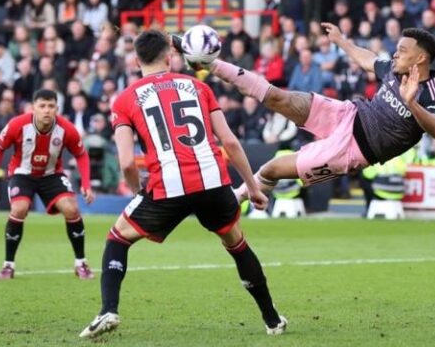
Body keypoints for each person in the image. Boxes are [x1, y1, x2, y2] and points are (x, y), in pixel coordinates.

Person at [80, 30, 286, 338]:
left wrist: (139, 190)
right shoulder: (199, 86)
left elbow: (125, 162)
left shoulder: (124, 100)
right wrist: (252, 188)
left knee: (117, 240)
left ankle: (108, 310)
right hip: (212, 183)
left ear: (136, 61)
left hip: (167, 188)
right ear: (170, 57)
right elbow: (229, 141)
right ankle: (272, 319)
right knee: (236, 244)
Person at [177, 23, 435, 205]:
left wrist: (412, 104)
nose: (395, 54)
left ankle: (234, 201)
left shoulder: (430, 89)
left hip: (353, 150)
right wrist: (341, 40)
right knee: (276, 96)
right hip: (348, 114)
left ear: (420, 58)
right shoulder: (393, 70)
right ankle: (211, 65)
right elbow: (367, 58)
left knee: (271, 170)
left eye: (403, 50)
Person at [0, 89, 95, 280]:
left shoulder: (66, 129)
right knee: (19, 209)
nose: (46, 110)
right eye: (42, 106)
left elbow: (81, 154)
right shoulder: (17, 124)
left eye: (51, 106)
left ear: (57, 108)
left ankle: (81, 263)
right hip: (22, 173)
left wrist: (86, 183)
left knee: (72, 209)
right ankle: (8, 265)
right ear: (33, 108)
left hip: (51, 175)